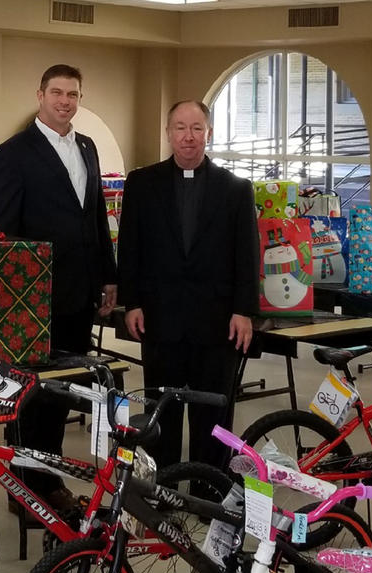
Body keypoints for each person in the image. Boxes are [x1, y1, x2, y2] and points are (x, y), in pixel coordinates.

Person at [0, 64, 117, 512]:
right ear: (39, 94)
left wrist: (108, 278)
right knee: (32, 395)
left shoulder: (87, 147)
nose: (65, 101)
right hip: (33, 299)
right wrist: (10, 295)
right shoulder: (13, 152)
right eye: (57, 92)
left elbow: (96, 218)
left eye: (73, 94)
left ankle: (47, 481)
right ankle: (26, 487)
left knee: (62, 394)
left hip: (80, 296)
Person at [117, 100, 258, 471]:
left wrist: (244, 310)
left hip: (217, 321)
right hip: (159, 319)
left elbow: (247, 255)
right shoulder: (141, 184)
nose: (188, 137)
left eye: (197, 128)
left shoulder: (236, 189)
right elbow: (130, 247)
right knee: (160, 411)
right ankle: (160, 484)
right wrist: (132, 302)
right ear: (168, 133)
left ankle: (208, 487)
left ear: (209, 133)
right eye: (180, 128)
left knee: (212, 412)